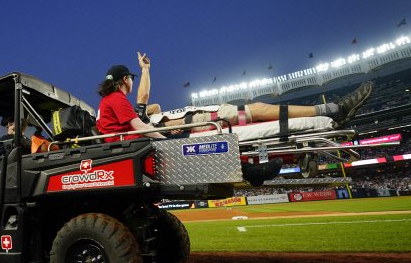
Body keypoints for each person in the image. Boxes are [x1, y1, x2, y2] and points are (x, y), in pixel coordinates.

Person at [96, 52, 284, 187]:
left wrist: (166, 134)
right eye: (131, 78)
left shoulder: (109, 99)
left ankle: (249, 173)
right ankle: (250, 173)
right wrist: (164, 139)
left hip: (132, 144)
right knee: (201, 146)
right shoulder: (116, 98)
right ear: (124, 79)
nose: (132, 82)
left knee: (188, 139)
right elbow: (138, 125)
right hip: (135, 145)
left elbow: (134, 124)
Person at [142, 81, 373, 131]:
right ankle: (334, 109)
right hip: (203, 122)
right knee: (261, 109)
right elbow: (145, 99)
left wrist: (138, 112)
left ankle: (332, 112)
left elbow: (153, 106)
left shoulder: (142, 118)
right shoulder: (139, 129)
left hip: (207, 115)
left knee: (262, 113)